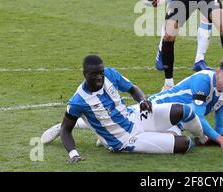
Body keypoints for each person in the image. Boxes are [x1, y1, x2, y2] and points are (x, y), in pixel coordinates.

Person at [42, 56, 223, 152]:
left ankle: (103, 136)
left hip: (169, 121)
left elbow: (219, 127)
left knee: (185, 142)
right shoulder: (203, 81)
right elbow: (198, 117)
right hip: (157, 111)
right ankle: (82, 128)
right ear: (218, 72)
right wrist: (219, 140)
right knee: (188, 123)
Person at [57, 54, 203, 163]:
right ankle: (104, 138)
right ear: (85, 74)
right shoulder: (78, 101)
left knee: (184, 111)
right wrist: (73, 154)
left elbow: (133, 89)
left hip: (134, 116)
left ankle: (203, 139)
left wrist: (142, 100)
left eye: (101, 72)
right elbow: (65, 129)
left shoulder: (110, 74)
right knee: (185, 144)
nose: (99, 77)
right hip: (125, 139)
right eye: (94, 74)